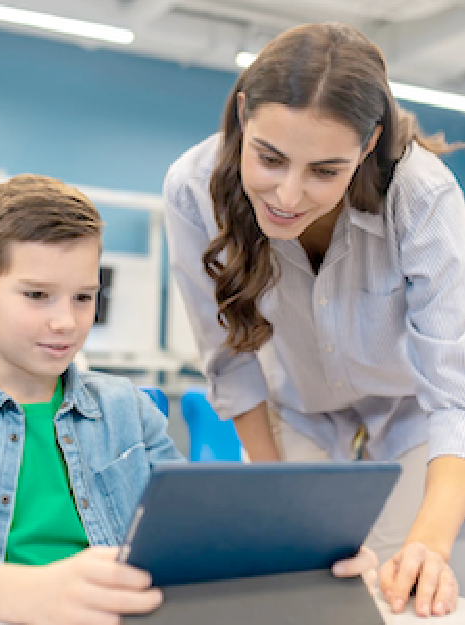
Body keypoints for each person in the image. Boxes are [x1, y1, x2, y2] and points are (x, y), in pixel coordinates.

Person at [0, 174, 375, 624]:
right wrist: (32, 594)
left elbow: (190, 539)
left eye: (83, 297)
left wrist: (310, 557)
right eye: (37, 295)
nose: (66, 321)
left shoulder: (129, 410)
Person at [164, 22, 464, 618]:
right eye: (269, 158)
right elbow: (232, 364)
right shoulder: (193, 188)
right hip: (296, 409)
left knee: (398, 597)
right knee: (302, 592)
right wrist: (280, 506)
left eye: (325, 171)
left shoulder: (423, 196)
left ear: (368, 141)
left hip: (410, 417)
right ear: (244, 115)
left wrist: (429, 545)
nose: (288, 194)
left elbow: (452, 395)